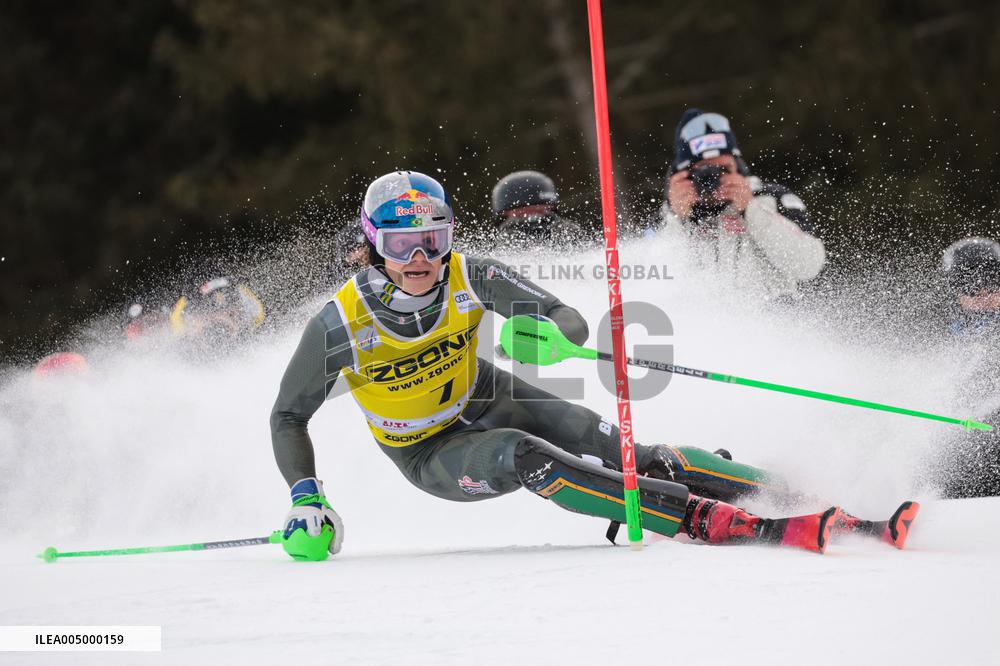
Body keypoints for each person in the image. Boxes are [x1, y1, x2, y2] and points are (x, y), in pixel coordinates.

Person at [270, 170, 914, 561]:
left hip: (483, 393)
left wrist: (550, 335)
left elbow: (568, 318)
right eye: (402, 244)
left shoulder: (472, 274)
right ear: (372, 245)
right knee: (528, 457)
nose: (420, 259)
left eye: (433, 241)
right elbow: (288, 416)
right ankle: (705, 520)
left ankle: (804, 498)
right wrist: (306, 497)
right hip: (425, 448)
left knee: (623, 447)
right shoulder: (339, 325)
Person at [660, 108, 826, 297]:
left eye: (724, 169)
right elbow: (653, 278)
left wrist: (751, 209)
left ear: (737, 164)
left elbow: (809, 266)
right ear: (684, 175)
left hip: (775, 313)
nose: (714, 180)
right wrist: (677, 220)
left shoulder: (770, 198)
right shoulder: (670, 213)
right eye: (703, 173)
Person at [936, 237, 1000, 497]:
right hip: (962, 437)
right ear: (955, 291)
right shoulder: (945, 333)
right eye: (971, 285)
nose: (983, 293)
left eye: (992, 282)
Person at [491, 170, 589, 251]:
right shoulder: (502, 245)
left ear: (552, 209)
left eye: (540, 211)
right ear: (504, 215)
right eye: (522, 214)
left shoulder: (568, 233)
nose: (531, 219)